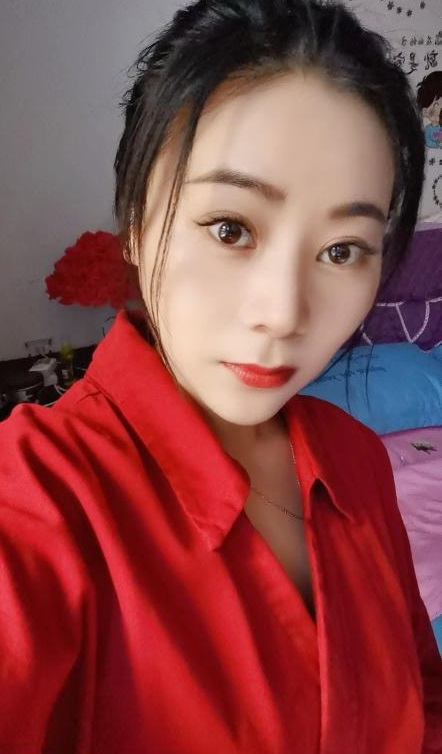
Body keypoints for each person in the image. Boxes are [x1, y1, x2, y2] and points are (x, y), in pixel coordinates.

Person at [1, 1, 441, 751]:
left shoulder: (358, 461)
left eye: (341, 251)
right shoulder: (42, 496)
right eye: (230, 228)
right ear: (136, 223)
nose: (284, 313)